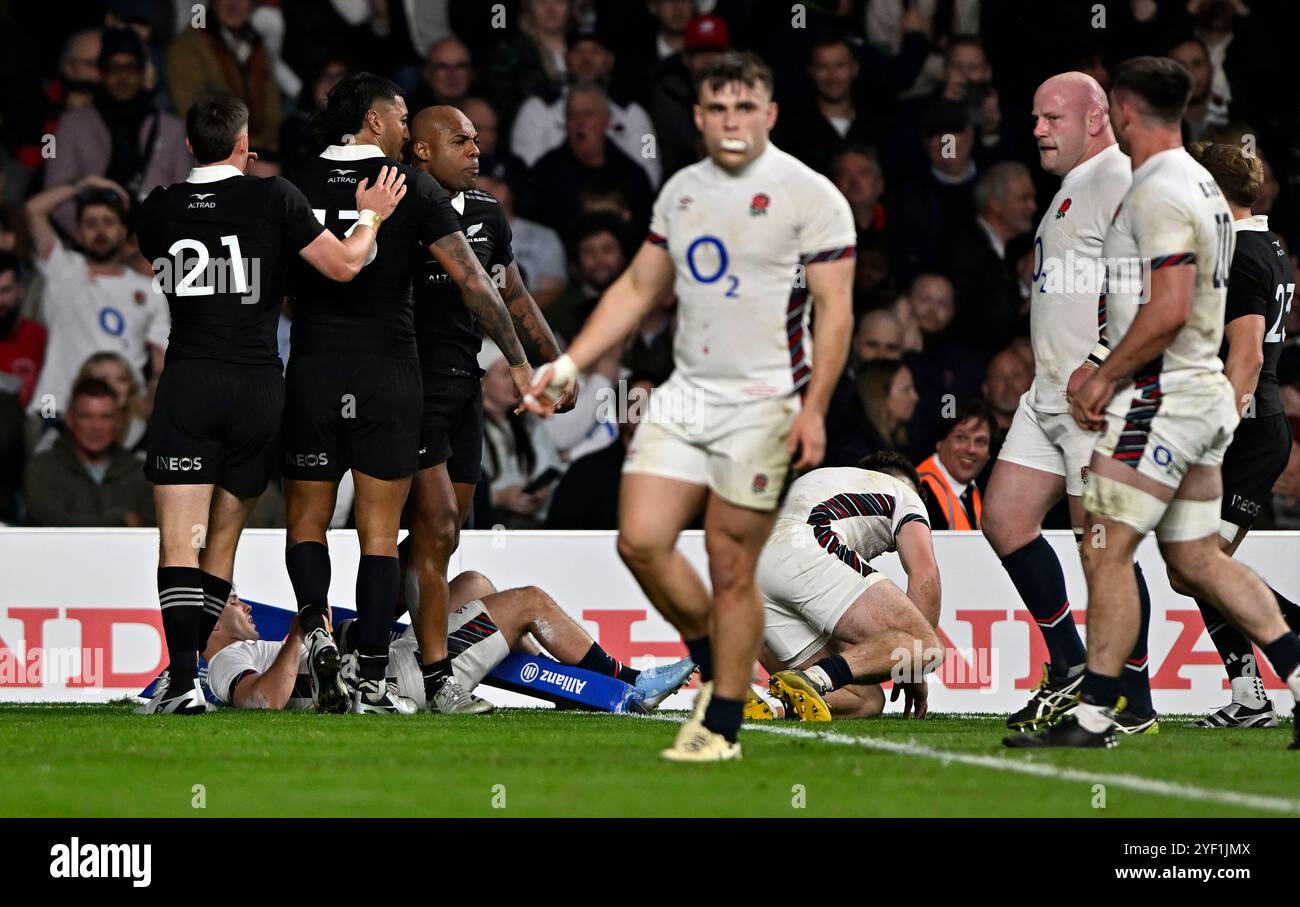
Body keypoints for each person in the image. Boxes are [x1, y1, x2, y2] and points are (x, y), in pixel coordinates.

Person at [527, 53, 856, 761]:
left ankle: (723, 722)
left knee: (730, 561)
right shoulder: (681, 190)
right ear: (699, 117)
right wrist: (570, 361)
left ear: (769, 113)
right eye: (718, 109)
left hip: (768, 402)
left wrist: (816, 406)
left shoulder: (813, 195)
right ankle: (720, 659)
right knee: (639, 540)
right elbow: (638, 289)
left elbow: (836, 313)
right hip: (687, 393)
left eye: (747, 108)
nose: (732, 121)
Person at [1008, 56, 1300, 750]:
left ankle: (1097, 713)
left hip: (1169, 394)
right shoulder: (1200, 186)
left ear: (1128, 114)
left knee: (1105, 547)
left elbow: (1167, 305)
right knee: (1194, 560)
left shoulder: (1157, 189)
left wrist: (1106, 373)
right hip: (1201, 394)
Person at [133, 91, 404, 715]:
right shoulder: (275, 196)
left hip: (189, 380)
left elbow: (160, 261)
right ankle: (188, 677)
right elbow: (342, 267)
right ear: (243, 146)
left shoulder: (158, 209)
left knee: (180, 540)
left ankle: (181, 683)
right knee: (221, 543)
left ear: (187, 146)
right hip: (259, 388)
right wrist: (370, 217)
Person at [283, 73, 530, 715]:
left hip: (311, 366)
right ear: (373, 121)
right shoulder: (411, 186)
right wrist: (520, 362)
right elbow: (477, 284)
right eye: (398, 117)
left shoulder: (293, 185)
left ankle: (316, 633)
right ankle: (370, 674)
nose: (403, 127)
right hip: (390, 372)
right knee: (378, 531)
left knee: (308, 518)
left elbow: (278, 286)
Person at [981, 72, 1158, 736]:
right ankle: (1071, 666)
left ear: (1094, 119)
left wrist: (1103, 363)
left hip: (1096, 397)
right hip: (1048, 396)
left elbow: (1144, 282)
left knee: (1100, 549)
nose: (1037, 130)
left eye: (1051, 117)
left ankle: (1133, 705)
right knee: (1004, 518)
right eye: (1034, 117)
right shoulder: (1072, 188)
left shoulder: (1116, 178)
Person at [401, 104, 570, 712]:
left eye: (477, 139)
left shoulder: (486, 212)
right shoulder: (397, 202)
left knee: (442, 536)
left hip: (462, 384)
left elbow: (511, 290)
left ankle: (371, 633)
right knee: (440, 524)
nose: (475, 150)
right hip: (407, 385)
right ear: (421, 150)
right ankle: (437, 677)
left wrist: (554, 360)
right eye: (460, 141)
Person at [1181, 142, 1300, 728]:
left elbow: (1247, 358)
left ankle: (1278, 667)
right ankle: (1250, 693)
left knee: (1198, 564)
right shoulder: (1270, 245)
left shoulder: (1240, 253)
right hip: (1259, 428)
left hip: (1247, 434)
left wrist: (1214, 435)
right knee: (1196, 565)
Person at [203, 571, 695, 713]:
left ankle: (574, 678)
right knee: (530, 601)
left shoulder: (245, 651)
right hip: (400, 679)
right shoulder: (227, 660)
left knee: (475, 584)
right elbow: (264, 700)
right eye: (234, 601)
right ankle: (631, 680)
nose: (246, 607)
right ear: (209, 623)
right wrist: (299, 634)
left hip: (385, 663)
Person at [753, 451, 942, 720]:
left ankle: (771, 705)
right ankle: (816, 678)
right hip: (807, 544)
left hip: (755, 567)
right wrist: (912, 667)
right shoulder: (905, 496)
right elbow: (926, 575)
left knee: (865, 701)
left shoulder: (828, 481)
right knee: (925, 644)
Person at [24, 177, 168, 425]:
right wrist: (82, 185)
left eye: (109, 222)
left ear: (124, 231)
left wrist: (147, 408)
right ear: (79, 233)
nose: (100, 231)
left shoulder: (151, 290)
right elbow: (33, 210)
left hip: (120, 417)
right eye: (91, 224)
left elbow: (161, 366)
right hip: (57, 409)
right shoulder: (62, 268)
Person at [44, 27, 192, 236]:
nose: (123, 77)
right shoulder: (73, 125)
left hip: (155, 246)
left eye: (131, 68)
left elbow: (186, 197)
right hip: (90, 246)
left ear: (142, 74)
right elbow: (56, 195)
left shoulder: (171, 128)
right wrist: (94, 239)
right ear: (102, 74)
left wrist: (154, 243)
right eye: (114, 68)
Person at [510, 28, 660, 188]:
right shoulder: (537, 108)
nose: (586, 59)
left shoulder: (633, 113)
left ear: (610, 60)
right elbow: (526, 173)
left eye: (595, 51)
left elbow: (649, 172)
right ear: (566, 59)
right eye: (578, 51)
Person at [23, 375, 153, 527]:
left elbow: (153, 527)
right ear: (70, 419)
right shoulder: (43, 467)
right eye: (86, 416)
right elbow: (46, 522)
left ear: (119, 422)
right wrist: (120, 521)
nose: (96, 427)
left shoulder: (141, 473)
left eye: (106, 417)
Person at [529, 83, 654, 235]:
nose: (579, 123)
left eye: (588, 114)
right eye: (572, 115)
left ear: (607, 121)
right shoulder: (545, 173)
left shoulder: (632, 175)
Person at [167, 0, 282, 152]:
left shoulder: (256, 45)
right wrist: (254, 147)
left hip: (258, 152)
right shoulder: (188, 46)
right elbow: (196, 115)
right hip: (213, 154)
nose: (233, 4)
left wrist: (267, 144)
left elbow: (272, 109)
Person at [825, 358, 917, 467]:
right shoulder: (853, 448)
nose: (915, 397)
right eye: (906, 389)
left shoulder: (899, 441)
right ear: (880, 395)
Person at [915, 399, 991, 531]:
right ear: (940, 442)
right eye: (961, 437)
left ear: (989, 454)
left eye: (980, 441)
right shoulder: (917, 493)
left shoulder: (985, 492)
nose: (971, 449)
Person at [0, 252, 45, 411]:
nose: (0, 301)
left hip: (27, 429)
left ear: (20, 291)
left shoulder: (40, 338)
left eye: (5, 291)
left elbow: (51, 390)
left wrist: (47, 423)